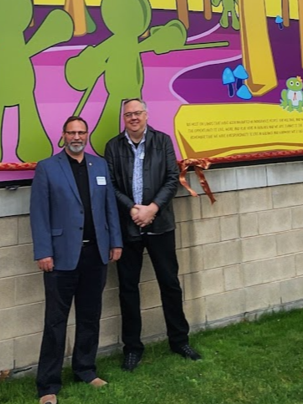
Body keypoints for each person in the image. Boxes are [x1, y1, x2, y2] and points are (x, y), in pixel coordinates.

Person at [30, 116, 123, 404]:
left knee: (89, 316)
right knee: (56, 322)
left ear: (87, 134)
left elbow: (110, 207)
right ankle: (48, 385)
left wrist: (115, 241)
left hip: (96, 254)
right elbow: (39, 214)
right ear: (63, 135)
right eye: (71, 132)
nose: (76, 137)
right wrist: (43, 251)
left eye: (81, 132)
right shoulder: (47, 168)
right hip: (61, 257)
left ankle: (85, 369)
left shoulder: (99, 165)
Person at [104, 98, 202, 372]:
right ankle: (133, 348)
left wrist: (153, 209)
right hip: (129, 226)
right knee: (128, 289)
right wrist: (133, 209)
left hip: (160, 225)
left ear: (146, 115)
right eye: (128, 114)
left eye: (137, 113)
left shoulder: (162, 141)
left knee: (170, 284)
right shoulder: (113, 147)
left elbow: (173, 178)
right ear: (123, 118)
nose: (133, 118)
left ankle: (179, 341)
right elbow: (110, 184)